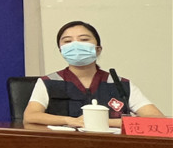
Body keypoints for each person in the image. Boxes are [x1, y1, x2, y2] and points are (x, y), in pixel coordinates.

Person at [23, 20, 163, 127]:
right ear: (61, 51)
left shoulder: (120, 84)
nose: (76, 45)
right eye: (67, 41)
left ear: (98, 49)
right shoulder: (49, 81)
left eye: (84, 40)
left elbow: (157, 119)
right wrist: (70, 121)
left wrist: (103, 122)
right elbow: (30, 116)